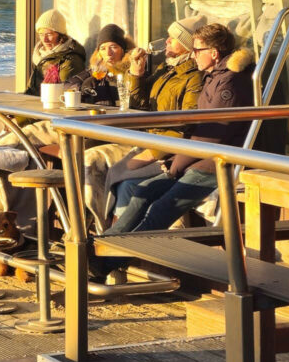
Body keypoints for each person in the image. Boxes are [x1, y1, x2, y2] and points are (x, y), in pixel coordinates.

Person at [104, 25, 251, 234]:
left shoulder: (229, 84)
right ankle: (105, 244)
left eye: (197, 50)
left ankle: (109, 259)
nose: (194, 55)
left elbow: (212, 136)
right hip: (192, 157)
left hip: (215, 163)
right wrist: (136, 74)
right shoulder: (212, 76)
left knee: (160, 209)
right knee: (141, 192)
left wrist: (175, 165)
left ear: (214, 53)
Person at [76, 16, 207, 224]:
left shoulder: (193, 77)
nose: (166, 42)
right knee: (103, 167)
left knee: (125, 181)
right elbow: (140, 105)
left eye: (172, 39)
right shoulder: (167, 70)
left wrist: (152, 153)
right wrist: (136, 74)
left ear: (186, 45)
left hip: (167, 149)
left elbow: (187, 125)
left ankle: (119, 238)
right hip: (150, 141)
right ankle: (103, 230)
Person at [23, 9, 87, 95]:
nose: (45, 39)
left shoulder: (70, 61)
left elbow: (65, 94)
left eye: (49, 34)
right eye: (41, 34)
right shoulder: (40, 56)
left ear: (60, 35)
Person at [74, 25, 133, 106]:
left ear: (123, 50)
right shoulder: (96, 72)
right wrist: (81, 89)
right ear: (99, 53)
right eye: (103, 48)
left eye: (113, 47)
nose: (108, 53)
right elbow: (66, 87)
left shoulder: (134, 72)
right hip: (100, 117)